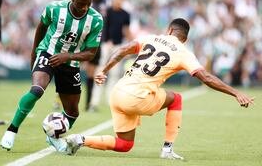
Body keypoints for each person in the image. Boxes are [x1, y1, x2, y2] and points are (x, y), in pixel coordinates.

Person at [60, 18, 254, 159]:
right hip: (137, 98)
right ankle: (167, 150)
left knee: (125, 144)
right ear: (184, 38)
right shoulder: (183, 52)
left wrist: (104, 70)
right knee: (176, 98)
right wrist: (236, 92)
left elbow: (122, 50)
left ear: (169, 30)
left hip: (117, 93)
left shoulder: (151, 38)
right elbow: (207, 78)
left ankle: (79, 139)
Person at [0, 0, 104, 151]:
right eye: (81, 3)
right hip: (48, 53)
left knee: (72, 112)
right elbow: (41, 28)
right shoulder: (54, 8)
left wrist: (67, 56)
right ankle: (12, 130)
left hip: (70, 62)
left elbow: (91, 53)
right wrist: (35, 53)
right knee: (37, 90)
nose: (85, 8)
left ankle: (53, 135)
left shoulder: (96, 19)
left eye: (88, 4)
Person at [89, 0, 131, 111]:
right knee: (101, 71)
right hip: (105, 45)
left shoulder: (125, 14)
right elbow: (103, 28)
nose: (119, 1)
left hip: (118, 46)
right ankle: (94, 101)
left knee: (114, 74)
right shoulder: (106, 12)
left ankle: (110, 100)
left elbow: (126, 31)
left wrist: (129, 46)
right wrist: (106, 40)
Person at [84, 0, 108, 111]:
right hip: (81, 38)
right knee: (68, 67)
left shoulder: (106, 1)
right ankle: (58, 99)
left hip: (97, 42)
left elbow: (108, 22)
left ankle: (89, 104)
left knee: (92, 73)